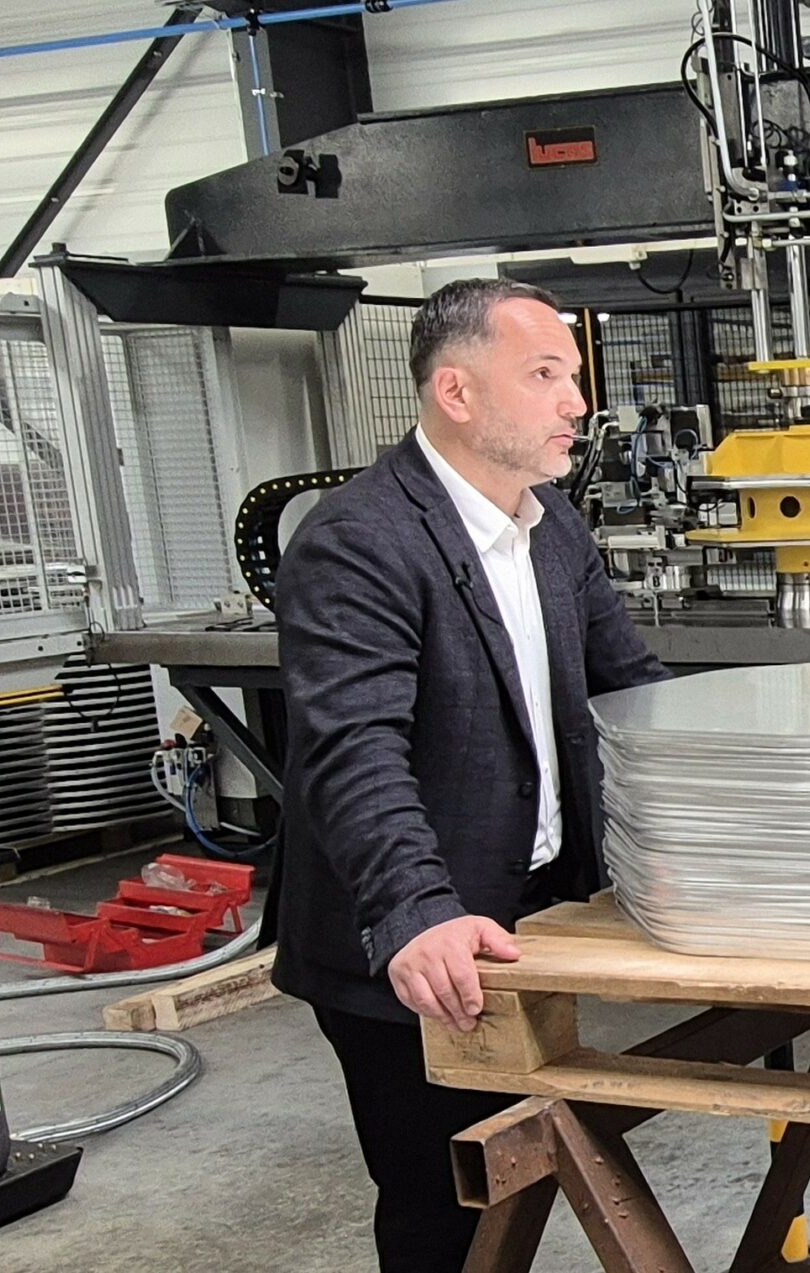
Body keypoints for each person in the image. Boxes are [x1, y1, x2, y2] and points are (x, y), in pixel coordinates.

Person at [272, 278, 670, 1271]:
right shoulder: (360, 540)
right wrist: (415, 908)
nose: (576, 401)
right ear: (456, 392)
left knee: (523, 1175)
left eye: (572, 376)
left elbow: (632, 691)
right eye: (544, 375)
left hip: (523, 912)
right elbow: (352, 745)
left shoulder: (550, 525)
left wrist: (753, 815)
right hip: (415, 938)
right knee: (443, 1204)